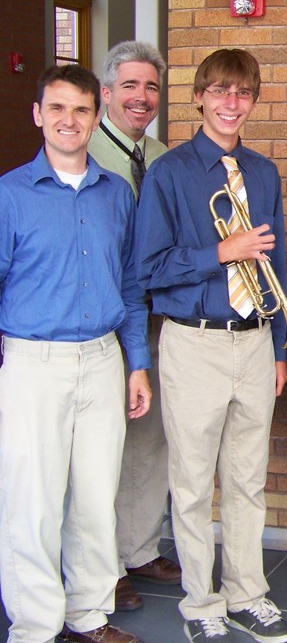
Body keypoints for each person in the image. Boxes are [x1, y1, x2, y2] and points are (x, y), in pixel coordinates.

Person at [135, 49, 287, 643]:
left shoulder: (263, 171)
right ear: (199, 96)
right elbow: (148, 267)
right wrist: (220, 254)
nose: (232, 103)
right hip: (194, 344)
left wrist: (280, 346)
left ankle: (248, 592)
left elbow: (274, 263)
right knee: (194, 480)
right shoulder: (170, 173)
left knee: (249, 478)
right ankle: (201, 602)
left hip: (254, 342)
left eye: (243, 93)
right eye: (221, 91)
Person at [0, 64, 151, 643]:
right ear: (39, 114)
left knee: (94, 499)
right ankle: (35, 628)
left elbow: (132, 284)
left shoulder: (117, 195)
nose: (70, 120)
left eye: (81, 110)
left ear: (96, 115)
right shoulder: (12, 195)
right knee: (33, 504)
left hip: (103, 359)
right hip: (34, 363)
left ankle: (88, 615)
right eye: (57, 108)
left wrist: (137, 362)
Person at [90, 40, 182, 613]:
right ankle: (99, 564)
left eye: (150, 87)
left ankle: (138, 547)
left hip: (156, 318)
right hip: (106, 323)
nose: (141, 97)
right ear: (105, 93)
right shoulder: (85, 151)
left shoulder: (164, 154)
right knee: (103, 448)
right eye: (129, 86)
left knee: (151, 441)